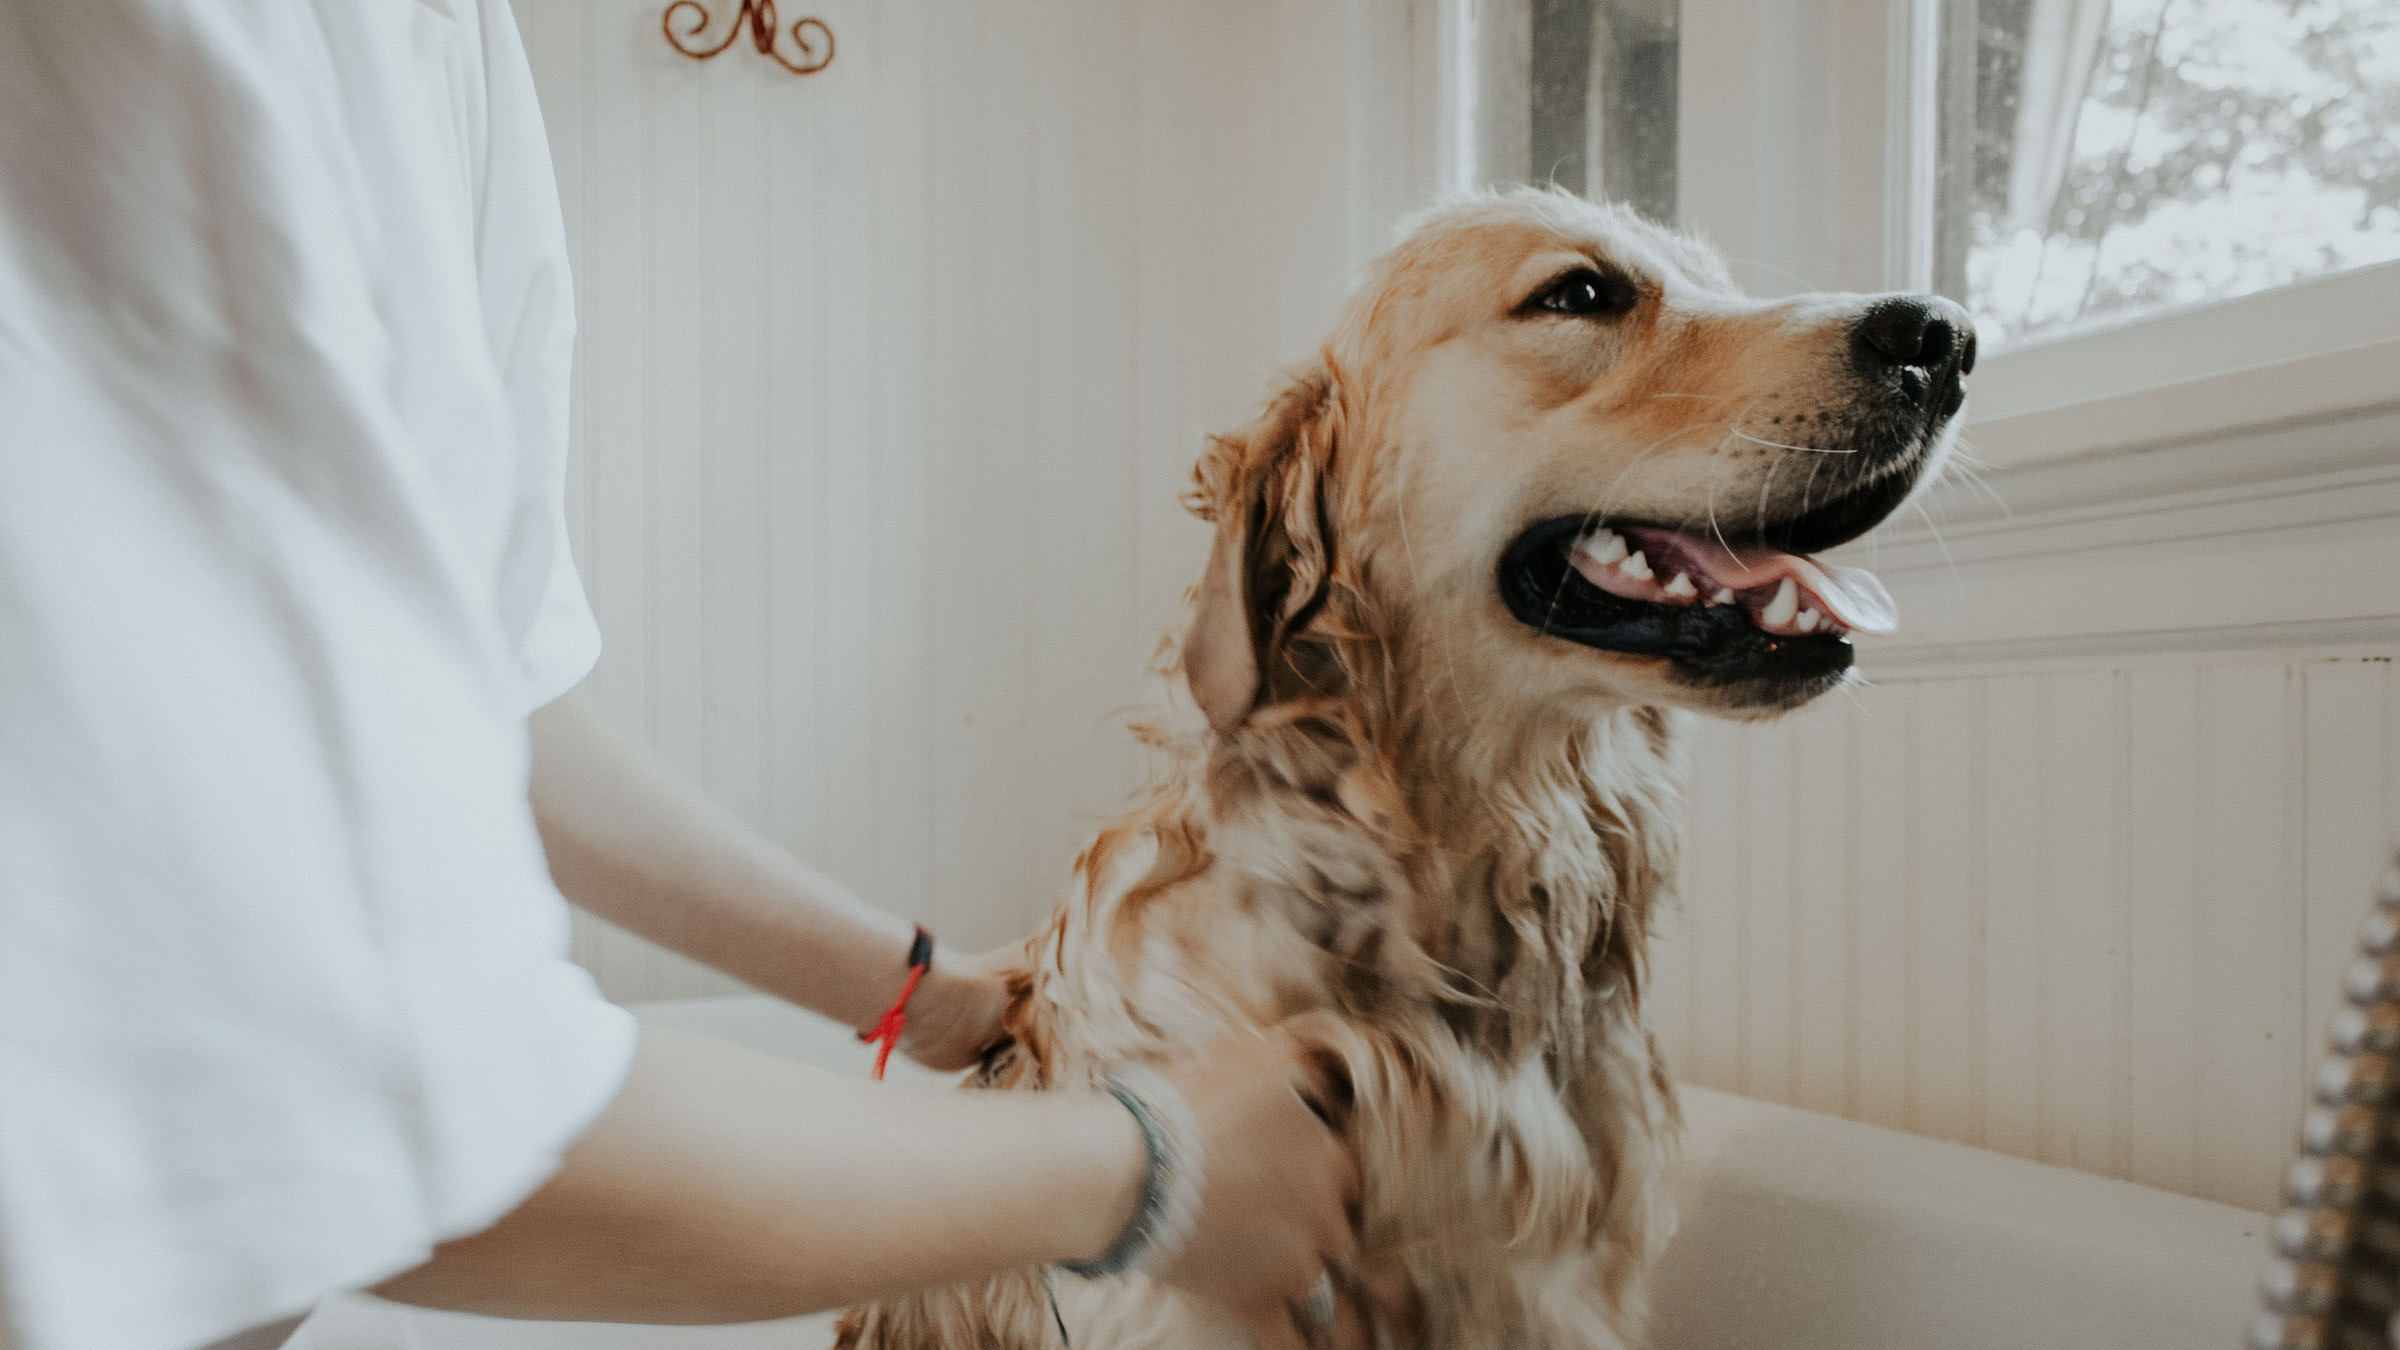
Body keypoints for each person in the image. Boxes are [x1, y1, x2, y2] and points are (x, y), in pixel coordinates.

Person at [0, 4, 1358, 1350]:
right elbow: (348, 1083)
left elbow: (483, 712)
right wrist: (1144, 1170)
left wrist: (916, 991)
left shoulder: (449, 46)